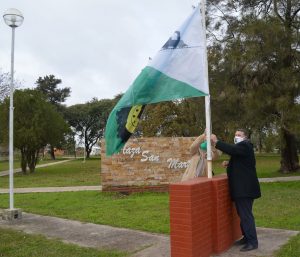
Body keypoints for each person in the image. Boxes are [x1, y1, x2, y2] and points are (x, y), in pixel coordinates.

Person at [211, 129, 261, 252]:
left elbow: (232, 150)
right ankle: (246, 237)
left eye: (239, 135)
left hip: (245, 189)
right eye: (235, 135)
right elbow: (241, 161)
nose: (236, 137)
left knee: (246, 216)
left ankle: (252, 242)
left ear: (245, 137)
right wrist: (230, 163)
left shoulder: (245, 145)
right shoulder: (243, 148)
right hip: (242, 189)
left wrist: (216, 142)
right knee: (242, 215)